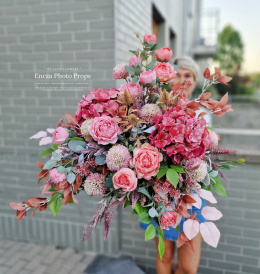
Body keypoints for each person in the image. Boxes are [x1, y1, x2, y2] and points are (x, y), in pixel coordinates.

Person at [139, 57, 207, 274]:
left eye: (189, 76)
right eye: (178, 74)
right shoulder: (156, 108)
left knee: (188, 267)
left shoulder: (204, 110)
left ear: (195, 81)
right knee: (165, 255)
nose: (183, 80)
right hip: (162, 194)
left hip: (192, 195)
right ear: (169, 77)